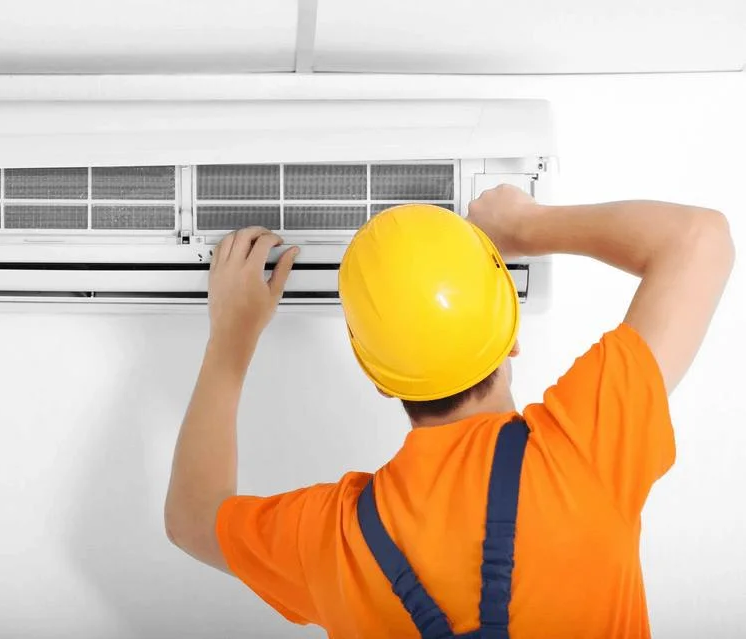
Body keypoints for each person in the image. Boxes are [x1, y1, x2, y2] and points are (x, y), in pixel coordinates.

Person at [164, 185, 735, 638]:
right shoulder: (582, 452)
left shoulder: (332, 539)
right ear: (512, 337)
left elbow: (191, 520)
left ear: (379, 380)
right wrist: (525, 226)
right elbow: (700, 240)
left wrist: (232, 337)